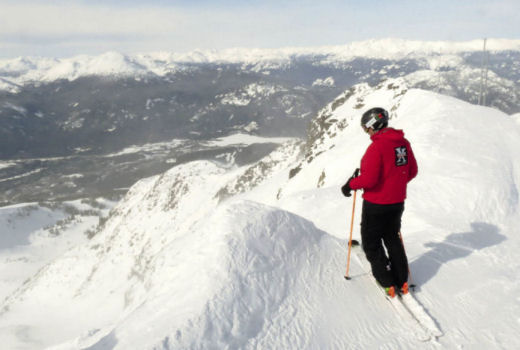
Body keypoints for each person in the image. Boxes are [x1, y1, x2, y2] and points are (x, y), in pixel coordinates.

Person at [341, 107, 418, 298]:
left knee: (371, 242)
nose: (367, 133)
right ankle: (402, 280)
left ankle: (386, 281)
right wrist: (395, 185)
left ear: (372, 126)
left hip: (376, 204)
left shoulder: (377, 147)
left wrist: (349, 185)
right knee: (392, 238)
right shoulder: (403, 143)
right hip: (397, 202)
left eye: (366, 129)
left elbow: (369, 180)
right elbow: (412, 171)